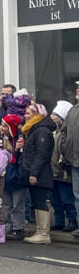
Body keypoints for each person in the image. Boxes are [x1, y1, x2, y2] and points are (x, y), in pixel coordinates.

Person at [22, 101, 60, 245]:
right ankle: (40, 231)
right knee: (36, 200)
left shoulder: (42, 131)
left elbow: (42, 154)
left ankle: (44, 232)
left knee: (40, 200)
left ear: (37, 115)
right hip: (35, 171)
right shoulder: (34, 130)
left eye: (28, 113)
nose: (25, 116)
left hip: (40, 172)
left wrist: (34, 173)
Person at [49, 100, 77, 233]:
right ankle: (59, 221)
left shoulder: (63, 133)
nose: (52, 116)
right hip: (53, 169)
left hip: (63, 170)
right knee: (55, 199)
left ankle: (72, 221)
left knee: (67, 198)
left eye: (55, 114)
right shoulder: (55, 132)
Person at [58, 82, 79, 238]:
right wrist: (64, 149)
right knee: (77, 195)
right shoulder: (73, 110)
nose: (77, 90)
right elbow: (64, 131)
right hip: (74, 160)